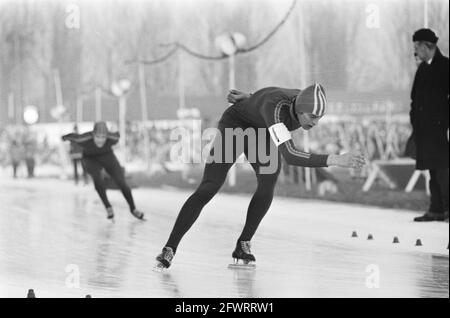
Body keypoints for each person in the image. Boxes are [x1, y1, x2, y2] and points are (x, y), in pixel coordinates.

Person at [155, 84, 366, 269]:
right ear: (301, 109)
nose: (314, 123)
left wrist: (250, 95)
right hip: (235, 125)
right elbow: (290, 155)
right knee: (209, 187)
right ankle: (169, 247)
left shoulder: (300, 98)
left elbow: (268, 92)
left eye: (319, 118)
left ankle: (243, 245)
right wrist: (336, 159)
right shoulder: (275, 111)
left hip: (262, 132)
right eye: (312, 117)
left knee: (268, 182)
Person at [62, 121, 144, 220]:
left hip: (107, 156)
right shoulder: (84, 138)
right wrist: (64, 137)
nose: (100, 140)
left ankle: (133, 209)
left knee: (121, 182)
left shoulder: (113, 138)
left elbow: (118, 135)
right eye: (98, 137)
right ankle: (108, 207)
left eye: (103, 137)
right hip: (90, 159)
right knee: (97, 178)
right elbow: (73, 137)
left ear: (107, 136)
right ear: (93, 135)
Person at [410, 29, 449, 222]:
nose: (416, 51)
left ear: (428, 45)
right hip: (425, 130)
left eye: (417, 47)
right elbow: (414, 98)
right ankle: (436, 209)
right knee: (433, 170)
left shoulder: (446, 66)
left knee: (444, 170)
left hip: (442, 129)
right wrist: (415, 121)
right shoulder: (423, 68)